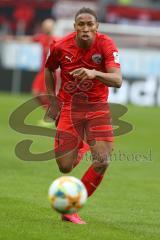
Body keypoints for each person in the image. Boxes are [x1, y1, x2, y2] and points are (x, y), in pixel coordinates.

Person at [45, 7, 122, 224]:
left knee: (103, 161)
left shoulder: (106, 44)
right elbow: (49, 69)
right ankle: (83, 145)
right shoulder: (61, 46)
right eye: (81, 24)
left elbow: (117, 80)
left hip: (97, 107)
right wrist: (52, 99)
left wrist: (94, 73)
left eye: (90, 24)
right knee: (65, 167)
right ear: (75, 27)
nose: (86, 29)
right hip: (69, 107)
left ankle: (72, 208)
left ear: (97, 27)